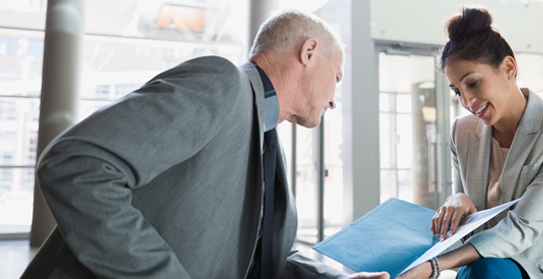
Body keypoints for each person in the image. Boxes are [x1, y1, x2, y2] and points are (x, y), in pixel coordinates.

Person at [21, 10, 388, 279]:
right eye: (336, 77)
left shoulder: (265, 139)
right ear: (308, 52)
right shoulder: (222, 83)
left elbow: (256, 253)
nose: (334, 99)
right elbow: (77, 164)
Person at [399, 6, 543, 279]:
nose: (467, 102)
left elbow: (523, 226)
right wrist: (457, 199)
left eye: (473, 83)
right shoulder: (462, 132)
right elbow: (468, 225)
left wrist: (435, 266)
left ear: (509, 67)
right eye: (457, 92)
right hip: (495, 263)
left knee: (485, 270)